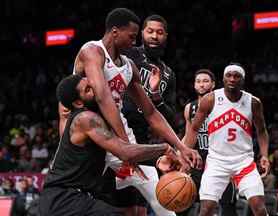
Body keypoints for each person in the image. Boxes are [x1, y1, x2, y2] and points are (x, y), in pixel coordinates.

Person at [59, 8, 201, 216]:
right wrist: (125, 148)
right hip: (90, 134)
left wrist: (180, 146)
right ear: (115, 32)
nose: (134, 43)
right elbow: (102, 96)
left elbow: (151, 113)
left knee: (155, 188)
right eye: (132, 36)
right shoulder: (92, 51)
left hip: (118, 134)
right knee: (81, 201)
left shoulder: (129, 66)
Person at [39, 74, 180, 216]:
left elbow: (120, 154)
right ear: (78, 103)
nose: (94, 87)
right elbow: (125, 152)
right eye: (88, 89)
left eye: (91, 83)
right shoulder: (85, 119)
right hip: (63, 199)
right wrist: (164, 148)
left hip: (73, 198)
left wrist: (156, 161)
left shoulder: (99, 118)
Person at [159, 63, 270, 216]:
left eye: (236, 76)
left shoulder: (253, 102)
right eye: (228, 75)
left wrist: (264, 155)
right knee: (206, 209)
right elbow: (193, 129)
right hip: (217, 161)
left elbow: (262, 131)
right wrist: (184, 156)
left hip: (244, 161)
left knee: (258, 207)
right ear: (223, 79)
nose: (232, 79)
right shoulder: (210, 99)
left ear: (243, 80)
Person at [121, 14, 177, 214]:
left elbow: (171, 117)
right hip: (119, 134)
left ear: (166, 37)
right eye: (150, 31)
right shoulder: (128, 55)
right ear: (142, 33)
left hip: (143, 140)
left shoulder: (168, 74)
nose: (155, 36)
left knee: (140, 209)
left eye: (160, 32)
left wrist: (155, 95)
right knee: (121, 205)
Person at [180, 69, 238, 216]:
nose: (201, 84)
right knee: (182, 202)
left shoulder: (224, 104)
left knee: (228, 205)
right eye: (198, 81)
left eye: (205, 81)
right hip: (198, 163)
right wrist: (181, 159)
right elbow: (188, 137)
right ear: (194, 85)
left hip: (221, 162)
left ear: (213, 84)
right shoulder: (190, 108)